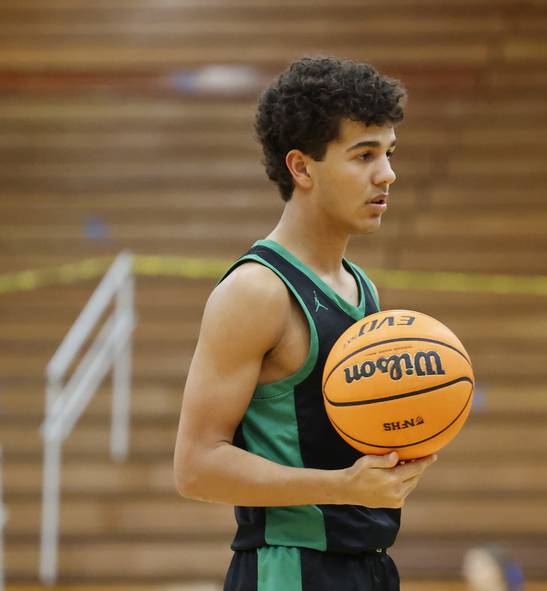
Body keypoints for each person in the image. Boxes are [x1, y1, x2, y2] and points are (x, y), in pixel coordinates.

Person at [173, 55, 437, 591]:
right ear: (301, 167)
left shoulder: (360, 287)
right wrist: (344, 487)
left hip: (370, 564)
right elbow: (196, 466)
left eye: (388, 153)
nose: (387, 173)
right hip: (290, 568)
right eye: (364, 155)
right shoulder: (257, 291)